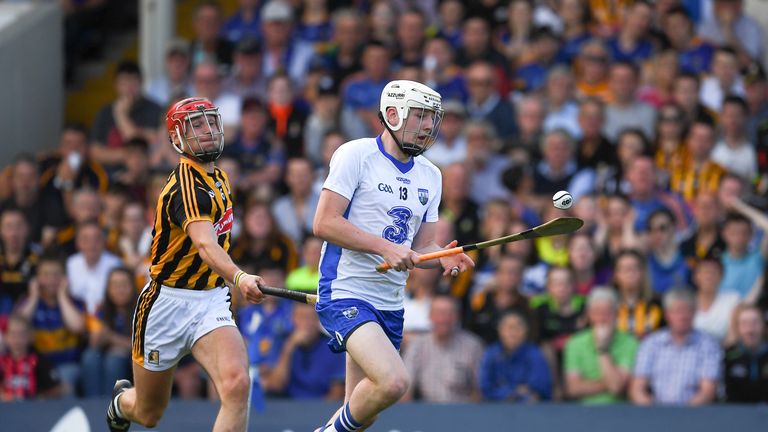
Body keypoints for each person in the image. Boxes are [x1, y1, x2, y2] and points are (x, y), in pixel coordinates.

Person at [311, 80, 474, 431]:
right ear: (392, 114)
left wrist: (442, 255)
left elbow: (422, 244)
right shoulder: (355, 154)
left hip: (390, 302)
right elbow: (324, 223)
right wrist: (384, 247)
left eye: (432, 118)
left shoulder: (432, 175)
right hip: (346, 291)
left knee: (362, 413)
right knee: (393, 382)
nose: (428, 126)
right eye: (419, 116)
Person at [105, 97, 266, 432]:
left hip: (210, 301)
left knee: (237, 385)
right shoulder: (186, 187)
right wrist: (239, 277)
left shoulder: (219, 177)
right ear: (176, 138)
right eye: (195, 125)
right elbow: (206, 245)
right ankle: (122, 403)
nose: (206, 131)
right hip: (166, 304)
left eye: (209, 122)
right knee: (148, 414)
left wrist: (229, 282)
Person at [629, 289, 721, 405]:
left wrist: (681, 415)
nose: (682, 316)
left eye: (687, 311)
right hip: (655, 414)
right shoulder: (651, 343)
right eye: (677, 311)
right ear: (667, 314)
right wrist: (653, 411)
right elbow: (637, 388)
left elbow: (707, 391)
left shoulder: (708, 345)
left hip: (694, 415)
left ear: (694, 313)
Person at [564, 287, 638, 404]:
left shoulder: (630, 342)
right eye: (597, 312)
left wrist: (603, 349)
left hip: (619, 411)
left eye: (607, 312)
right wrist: (608, 383)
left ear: (616, 314)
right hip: (584, 412)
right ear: (589, 315)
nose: (602, 318)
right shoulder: (575, 343)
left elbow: (616, 388)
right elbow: (573, 389)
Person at [479, 311, 552, 402]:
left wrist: (512, 394)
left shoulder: (535, 354)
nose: (512, 332)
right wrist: (513, 392)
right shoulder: (491, 354)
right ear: (500, 330)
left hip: (528, 411)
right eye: (508, 327)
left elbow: (540, 390)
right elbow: (485, 389)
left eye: (517, 327)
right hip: (494, 410)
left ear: (525, 331)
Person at [0, 314, 62, 401]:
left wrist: (40, 397)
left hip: (34, 410)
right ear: (6, 337)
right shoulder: (2, 362)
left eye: (21, 335)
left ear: (30, 336)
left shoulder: (39, 361)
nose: (17, 340)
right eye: (13, 334)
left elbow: (55, 388)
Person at [723, 304, 768, 402]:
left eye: (755, 323)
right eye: (744, 323)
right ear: (738, 328)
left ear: (763, 326)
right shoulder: (727, 356)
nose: (750, 329)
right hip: (736, 413)